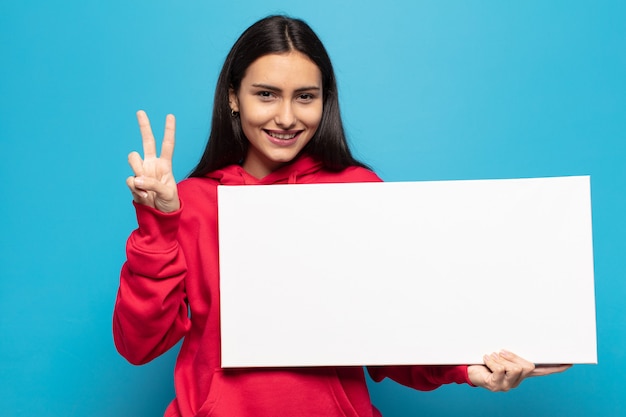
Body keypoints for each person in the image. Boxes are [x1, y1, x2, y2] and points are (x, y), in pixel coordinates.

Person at [114, 15, 570, 417]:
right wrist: (158, 225)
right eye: (266, 95)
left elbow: (394, 333)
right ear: (234, 97)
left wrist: (471, 369)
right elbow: (139, 346)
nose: (287, 117)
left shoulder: (357, 191)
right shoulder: (192, 202)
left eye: (305, 96)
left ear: (324, 99)